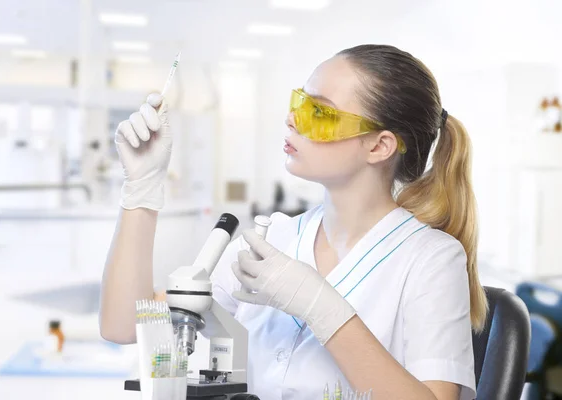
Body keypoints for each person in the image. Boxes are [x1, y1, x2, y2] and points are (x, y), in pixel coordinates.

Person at [100, 44, 488, 400]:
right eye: (299, 102)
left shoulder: (431, 259)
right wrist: (142, 190)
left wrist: (321, 307)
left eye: (318, 112)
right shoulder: (274, 241)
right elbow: (123, 326)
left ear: (379, 145)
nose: (292, 120)